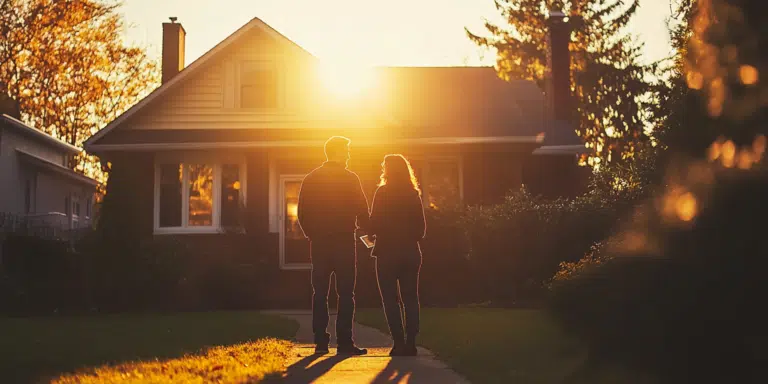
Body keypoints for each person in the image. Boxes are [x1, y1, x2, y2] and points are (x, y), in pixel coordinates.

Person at [297, 136, 370, 355]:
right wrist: (369, 233)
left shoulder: (311, 179)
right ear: (337, 152)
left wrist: (313, 234)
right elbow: (362, 210)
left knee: (320, 292)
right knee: (346, 293)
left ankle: (320, 341)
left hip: (319, 243)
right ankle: (345, 342)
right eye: (346, 151)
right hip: (344, 242)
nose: (348, 155)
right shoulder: (350, 178)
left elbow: (302, 213)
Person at [369, 154, 426, 356]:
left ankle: (398, 342)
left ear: (387, 170)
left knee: (390, 299)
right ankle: (411, 342)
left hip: (386, 253)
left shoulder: (382, 193)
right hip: (410, 252)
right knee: (411, 298)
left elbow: (373, 224)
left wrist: (370, 230)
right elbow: (421, 229)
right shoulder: (413, 194)